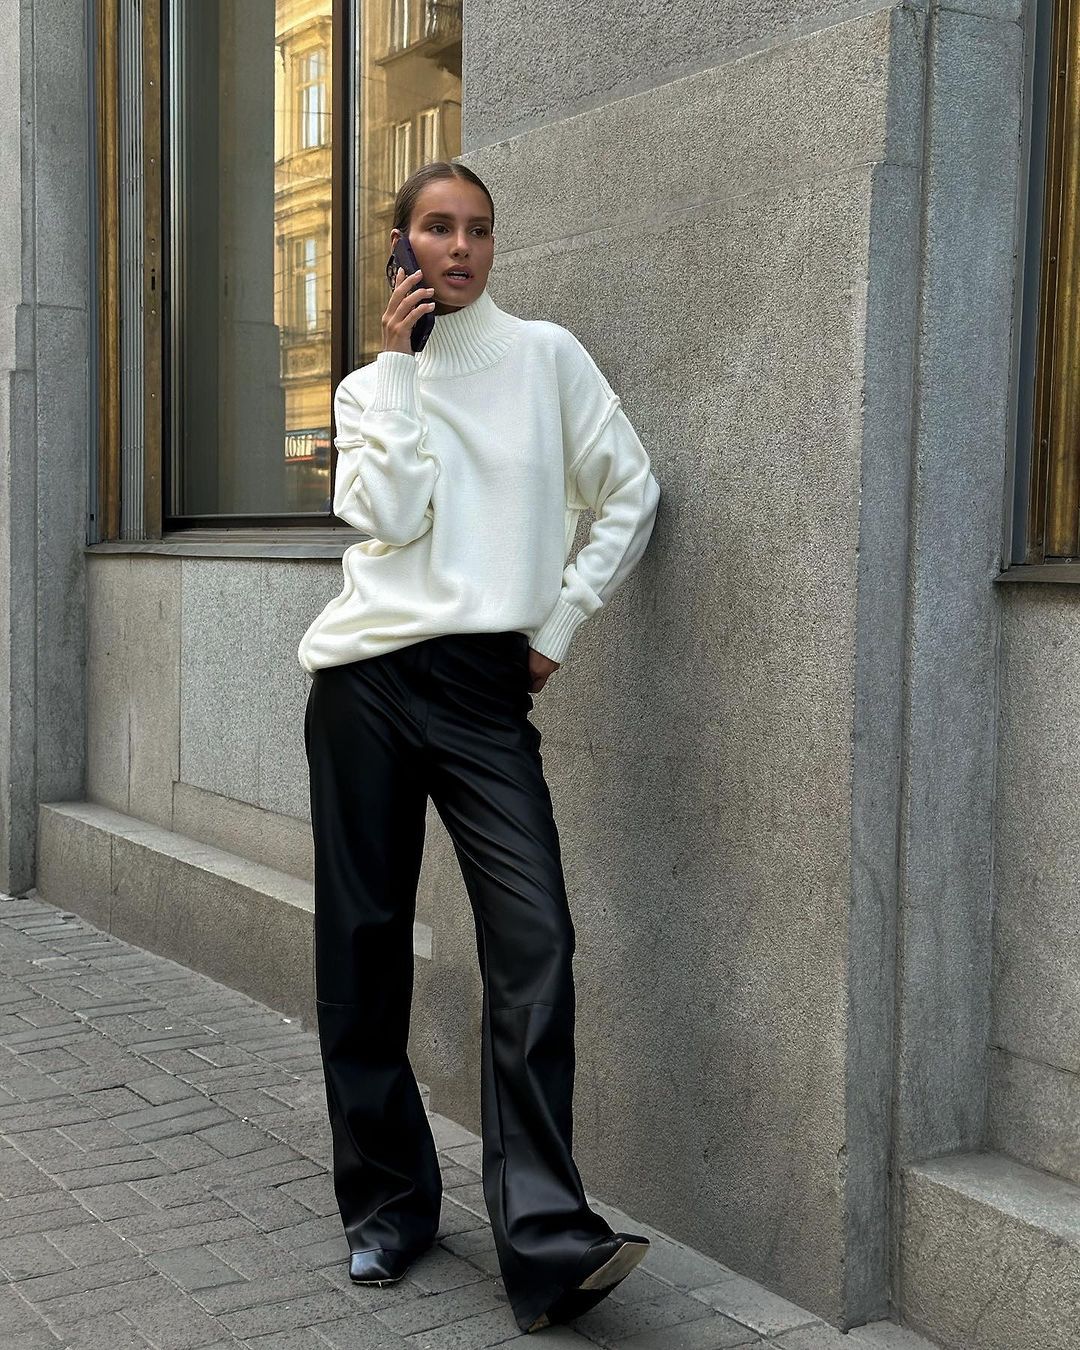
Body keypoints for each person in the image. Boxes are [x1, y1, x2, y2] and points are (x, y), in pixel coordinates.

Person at [297, 159, 662, 1335]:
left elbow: (631, 491)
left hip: (482, 691)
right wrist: (400, 372)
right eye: (437, 229)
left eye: (480, 230)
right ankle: (387, 1206)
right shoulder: (369, 389)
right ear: (399, 245)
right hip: (364, 684)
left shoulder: (546, 358)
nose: (460, 248)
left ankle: (548, 1240)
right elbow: (389, 517)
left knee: (536, 938)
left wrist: (555, 628)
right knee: (363, 948)